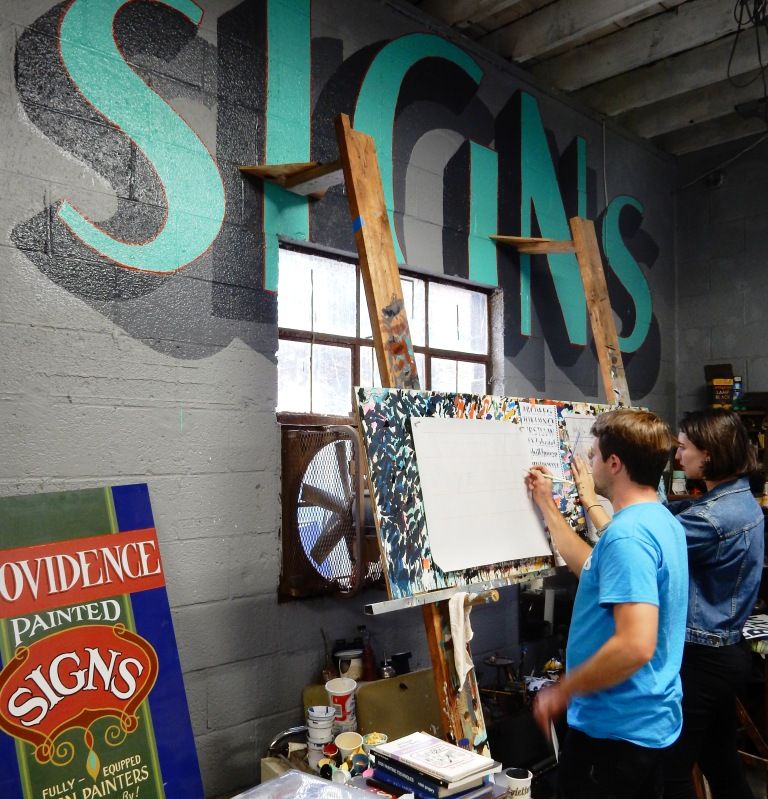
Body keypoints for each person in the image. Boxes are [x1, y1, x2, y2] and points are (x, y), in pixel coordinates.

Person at [526, 408, 688, 799]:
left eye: (595, 455)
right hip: (643, 724)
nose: (590, 464)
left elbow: (635, 644)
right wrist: (547, 506)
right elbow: (592, 568)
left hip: (616, 734)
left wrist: (563, 691)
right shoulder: (660, 520)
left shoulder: (628, 537)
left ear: (615, 464)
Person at [658, 409, 764, 799]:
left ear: (709, 454)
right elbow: (678, 514)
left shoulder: (716, 518)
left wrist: (594, 504)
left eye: (684, 447)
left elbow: (652, 544)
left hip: (704, 658)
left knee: (670, 769)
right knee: (721, 762)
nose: (678, 455)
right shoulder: (736, 499)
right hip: (725, 653)